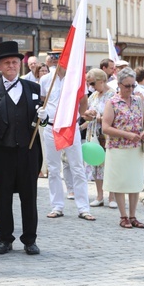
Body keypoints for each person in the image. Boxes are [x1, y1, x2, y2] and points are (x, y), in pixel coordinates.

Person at [0, 41, 46, 255]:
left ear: (20, 65)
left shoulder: (33, 88)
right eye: (7, 63)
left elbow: (39, 117)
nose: (12, 66)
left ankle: (29, 239)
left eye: (15, 62)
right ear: (0, 66)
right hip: (1, 151)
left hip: (28, 150)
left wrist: (44, 117)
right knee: (3, 196)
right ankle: (5, 238)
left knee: (29, 196)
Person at [40, 64, 95, 222]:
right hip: (51, 126)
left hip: (70, 127)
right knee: (53, 168)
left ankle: (83, 207)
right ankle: (57, 206)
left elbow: (83, 100)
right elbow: (44, 99)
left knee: (77, 167)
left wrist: (79, 116)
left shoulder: (76, 79)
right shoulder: (45, 79)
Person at [101, 66, 144, 230]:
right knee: (120, 183)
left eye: (133, 85)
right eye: (127, 86)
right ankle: (123, 216)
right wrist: (126, 134)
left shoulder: (138, 100)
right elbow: (105, 127)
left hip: (135, 148)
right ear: (119, 85)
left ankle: (133, 215)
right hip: (118, 148)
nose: (130, 89)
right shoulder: (112, 102)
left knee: (134, 183)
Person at [83, 68, 117, 208]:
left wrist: (100, 119)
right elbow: (85, 115)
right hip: (94, 133)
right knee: (96, 164)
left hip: (107, 134)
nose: (91, 86)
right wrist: (88, 115)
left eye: (92, 83)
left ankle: (112, 197)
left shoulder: (113, 96)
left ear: (101, 81)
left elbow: (116, 118)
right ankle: (99, 196)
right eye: (89, 84)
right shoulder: (93, 96)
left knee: (110, 164)